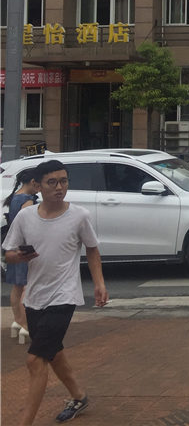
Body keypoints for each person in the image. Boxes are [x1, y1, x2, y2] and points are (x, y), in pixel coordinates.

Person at [1, 159, 108, 425]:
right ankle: (79, 396)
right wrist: (19, 256)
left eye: (63, 181)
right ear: (38, 185)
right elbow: (8, 254)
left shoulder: (79, 216)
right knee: (53, 352)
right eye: (52, 182)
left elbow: (92, 249)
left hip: (64, 296)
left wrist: (99, 283)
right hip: (34, 298)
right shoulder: (26, 216)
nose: (59, 187)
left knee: (35, 360)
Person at [3, 167, 42, 344]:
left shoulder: (14, 198)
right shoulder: (27, 200)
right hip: (25, 247)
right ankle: (27, 326)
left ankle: (18, 322)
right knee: (26, 288)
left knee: (17, 287)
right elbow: (30, 226)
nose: (39, 189)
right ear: (33, 182)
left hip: (13, 246)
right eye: (39, 184)